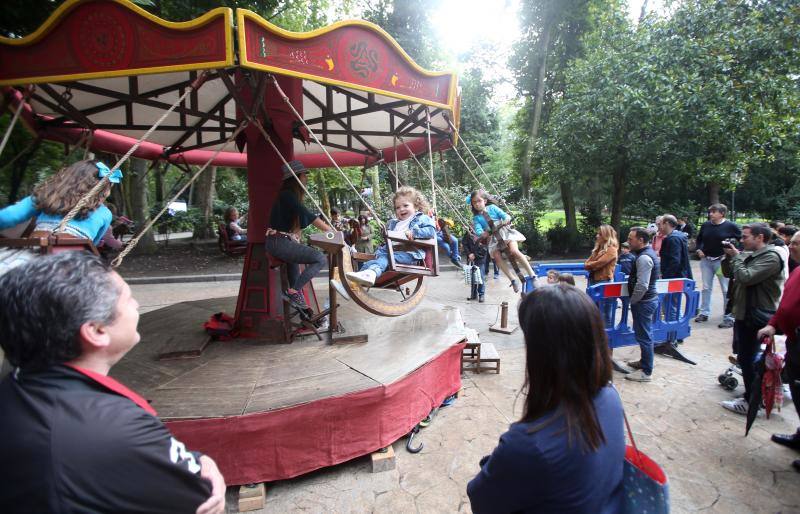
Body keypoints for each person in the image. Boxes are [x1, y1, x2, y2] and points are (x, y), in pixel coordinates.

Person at [0, 252, 225, 513]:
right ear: (97, 331)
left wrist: (199, 460)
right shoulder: (120, 429)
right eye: (128, 299)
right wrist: (204, 465)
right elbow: (201, 498)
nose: (137, 305)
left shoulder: (15, 391)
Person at [467, 286, 624, 513]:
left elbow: (481, 501)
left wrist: (496, 462)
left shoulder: (530, 444)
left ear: (543, 354)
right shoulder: (611, 397)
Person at [719, 223, 784, 415]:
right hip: (744, 313)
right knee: (745, 357)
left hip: (755, 315)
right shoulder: (752, 255)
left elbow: (746, 277)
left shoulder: (771, 257)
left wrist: (736, 256)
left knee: (748, 358)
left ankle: (752, 401)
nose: (742, 240)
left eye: (745, 236)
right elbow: (730, 273)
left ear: (760, 237)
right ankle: (754, 395)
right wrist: (729, 257)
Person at [758, 231, 800, 473]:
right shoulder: (797, 270)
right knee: (797, 388)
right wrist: (774, 324)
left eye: (796, 244)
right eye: (791, 242)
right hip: (794, 341)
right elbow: (785, 304)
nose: (790, 246)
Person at [0, 159, 117, 245]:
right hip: (75, 263)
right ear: (103, 190)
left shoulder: (46, 197)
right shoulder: (105, 214)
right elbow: (93, 243)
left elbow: (6, 217)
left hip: (36, 255)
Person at [265, 160, 331, 311]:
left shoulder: (288, 195)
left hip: (280, 241)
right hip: (279, 242)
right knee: (320, 259)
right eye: (304, 175)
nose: (306, 178)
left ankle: (301, 307)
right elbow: (307, 215)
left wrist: (296, 236)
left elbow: (298, 222)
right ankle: (293, 293)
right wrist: (331, 232)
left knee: (295, 272)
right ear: (297, 177)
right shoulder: (287, 195)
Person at [344, 186, 435, 287]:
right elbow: (389, 242)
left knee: (385, 257)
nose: (401, 209)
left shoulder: (421, 218)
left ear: (416, 206)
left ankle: (371, 273)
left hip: (410, 254)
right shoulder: (394, 223)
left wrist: (415, 233)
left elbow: (431, 231)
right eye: (398, 207)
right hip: (392, 253)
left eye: (405, 205)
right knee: (373, 261)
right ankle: (355, 283)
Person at [470, 190, 535, 293]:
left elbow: (505, 216)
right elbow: (478, 230)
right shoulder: (476, 218)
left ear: (485, 201)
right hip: (494, 238)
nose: (477, 204)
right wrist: (482, 233)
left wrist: (506, 219)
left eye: (479, 201)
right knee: (496, 257)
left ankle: (532, 274)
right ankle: (513, 279)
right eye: (474, 202)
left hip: (505, 233)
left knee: (514, 251)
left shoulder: (492, 208)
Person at [625, 227, 661, 382]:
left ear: (640, 240)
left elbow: (642, 285)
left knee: (644, 336)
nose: (628, 241)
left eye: (631, 239)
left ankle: (646, 372)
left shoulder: (644, 258)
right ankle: (643, 362)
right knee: (644, 334)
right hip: (647, 300)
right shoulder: (646, 254)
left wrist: (633, 300)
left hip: (643, 302)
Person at [695, 203, 741, 326]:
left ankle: (728, 315)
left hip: (722, 261)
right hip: (706, 260)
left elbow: (741, 239)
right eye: (710, 212)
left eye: (714, 212)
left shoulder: (730, 226)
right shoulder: (706, 225)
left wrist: (735, 251)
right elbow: (699, 239)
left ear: (722, 214)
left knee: (726, 289)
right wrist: (699, 249)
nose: (710, 214)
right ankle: (704, 313)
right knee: (706, 287)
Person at [462, 229, 488, 302]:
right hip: (471, 258)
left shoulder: (483, 231)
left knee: (480, 277)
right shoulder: (468, 231)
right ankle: (473, 295)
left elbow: (485, 247)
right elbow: (464, 243)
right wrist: (469, 254)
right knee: (472, 277)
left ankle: (481, 295)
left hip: (480, 258)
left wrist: (475, 255)